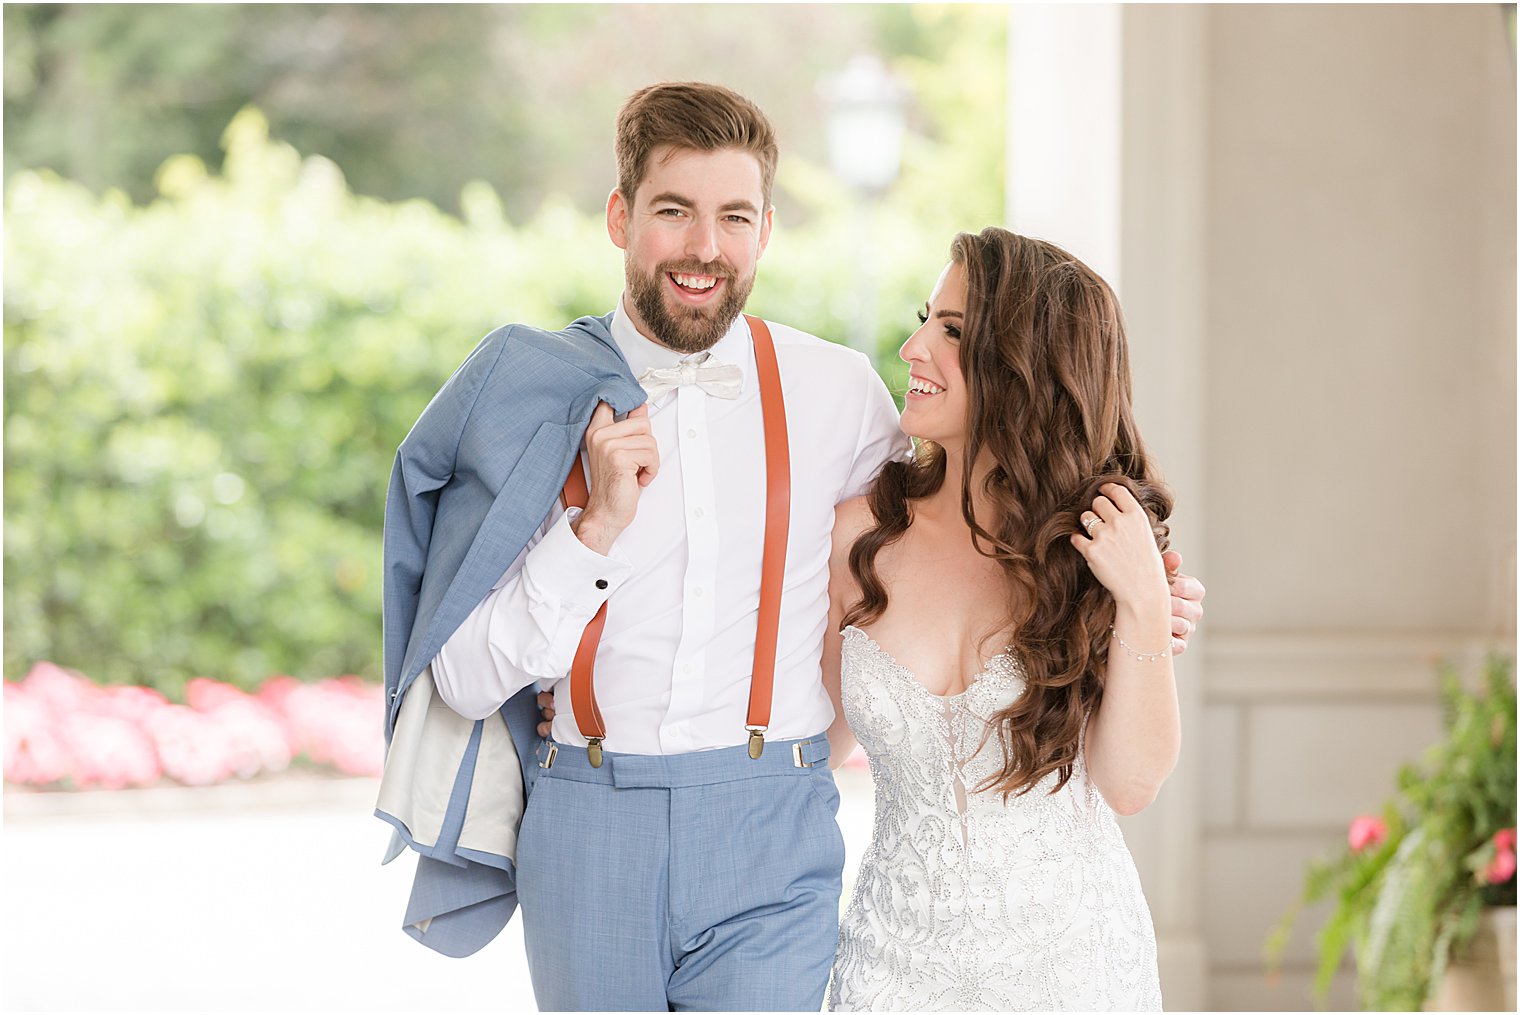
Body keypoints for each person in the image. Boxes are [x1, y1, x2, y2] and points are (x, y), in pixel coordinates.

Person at [382, 82, 1205, 1012]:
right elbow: (461, 675)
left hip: (773, 830)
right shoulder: (532, 395)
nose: (704, 246)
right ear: (620, 218)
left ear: (766, 230)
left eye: (733, 215)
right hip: (587, 811)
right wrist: (591, 533)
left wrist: (1140, 604)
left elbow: (996, 489)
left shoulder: (840, 395)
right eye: (673, 212)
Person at [823, 227, 1177, 1011]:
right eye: (926, 318)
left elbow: (1130, 781)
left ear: (1025, 366)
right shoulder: (858, 535)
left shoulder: (1097, 550)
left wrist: (1145, 604)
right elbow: (812, 743)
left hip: (1072, 965)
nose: (914, 346)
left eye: (952, 331)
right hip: (892, 963)